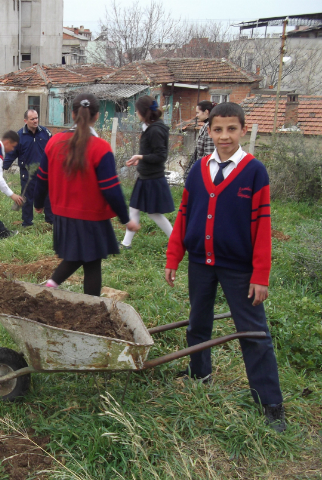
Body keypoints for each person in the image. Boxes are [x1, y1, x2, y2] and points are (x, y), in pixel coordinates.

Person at [165, 102, 285, 432]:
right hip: (200, 263)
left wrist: (260, 275)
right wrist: (173, 256)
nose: (224, 136)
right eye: (218, 129)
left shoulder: (254, 171)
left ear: (243, 130)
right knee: (197, 321)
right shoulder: (198, 169)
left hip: (239, 269)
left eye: (231, 129)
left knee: (253, 332)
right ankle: (199, 373)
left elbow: (262, 227)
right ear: (209, 131)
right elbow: (184, 216)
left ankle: (270, 403)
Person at [33, 93, 139, 296]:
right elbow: (111, 189)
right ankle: (69, 297)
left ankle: (51, 288)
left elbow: (42, 178)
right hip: (91, 218)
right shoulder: (101, 148)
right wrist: (126, 219)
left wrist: (38, 203)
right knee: (91, 263)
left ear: (72, 114)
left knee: (82, 257)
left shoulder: (54, 142)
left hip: (62, 215)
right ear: (97, 116)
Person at [121, 95, 175, 249]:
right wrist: (141, 159)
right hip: (146, 176)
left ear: (143, 111)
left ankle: (175, 240)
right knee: (134, 208)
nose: (136, 113)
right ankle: (126, 243)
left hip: (152, 178)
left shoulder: (155, 130)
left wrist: (141, 156)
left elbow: (161, 156)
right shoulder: (151, 127)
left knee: (153, 213)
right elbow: (153, 154)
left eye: (137, 111)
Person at [3, 109, 54, 227]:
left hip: (44, 171)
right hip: (27, 172)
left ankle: (50, 221)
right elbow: (11, 153)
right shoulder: (19, 136)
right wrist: (3, 167)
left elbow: (54, 150)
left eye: (36, 118)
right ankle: (27, 222)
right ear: (25, 121)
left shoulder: (45, 133)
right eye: (32, 119)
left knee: (47, 195)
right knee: (27, 196)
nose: (35, 121)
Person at [184, 100, 216, 179]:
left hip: (206, 171)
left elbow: (209, 153)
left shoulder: (210, 127)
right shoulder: (206, 126)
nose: (197, 115)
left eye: (198, 112)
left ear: (206, 112)